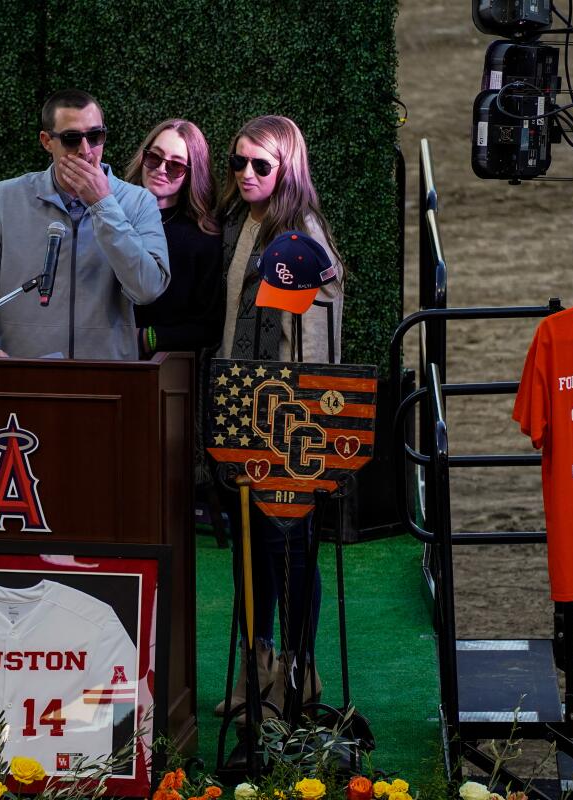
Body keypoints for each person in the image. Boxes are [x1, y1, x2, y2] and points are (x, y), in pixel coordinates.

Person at [212, 115, 345, 718]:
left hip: (288, 418)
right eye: (238, 161)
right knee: (252, 548)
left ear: (288, 167)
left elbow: (315, 349)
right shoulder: (242, 220)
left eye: (260, 165)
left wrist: (301, 431)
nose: (245, 173)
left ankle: (295, 676)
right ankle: (258, 670)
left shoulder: (303, 235)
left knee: (289, 547)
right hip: (241, 405)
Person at [0, 90, 170, 360]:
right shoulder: (5, 199)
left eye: (95, 136)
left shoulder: (137, 202)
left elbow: (147, 289)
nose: (86, 151)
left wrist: (103, 205)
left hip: (107, 380)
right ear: (47, 141)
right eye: (71, 139)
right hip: (23, 375)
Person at [123, 119, 223, 356]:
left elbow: (209, 326)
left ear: (191, 174)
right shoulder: (112, 217)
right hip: (100, 360)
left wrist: (147, 338)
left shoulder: (203, 238)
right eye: (154, 158)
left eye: (176, 166)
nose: (160, 170)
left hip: (164, 371)